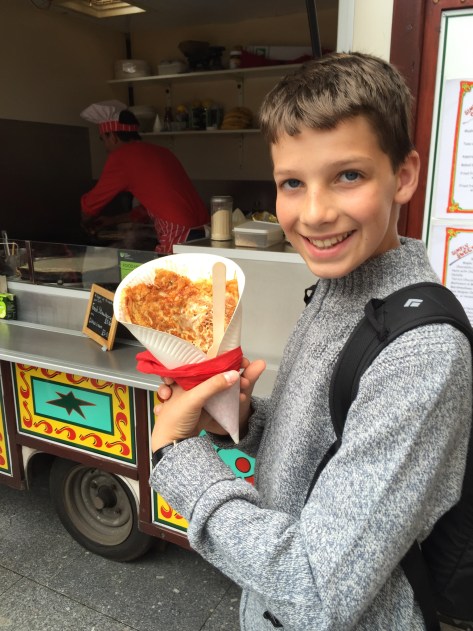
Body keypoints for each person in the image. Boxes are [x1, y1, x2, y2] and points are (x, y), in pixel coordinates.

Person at [148, 53, 472, 630]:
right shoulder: (337, 287)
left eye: (348, 175)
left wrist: (175, 457)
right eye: (292, 183)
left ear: (403, 176)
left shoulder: (421, 353)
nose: (316, 213)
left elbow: (319, 590)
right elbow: (328, 437)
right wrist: (244, 420)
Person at [80, 101, 209, 253]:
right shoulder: (162, 152)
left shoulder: (121, 157)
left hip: (179, 232)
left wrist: (85, 225)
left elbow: (90, 206)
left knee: (169, 269)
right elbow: (151, 207)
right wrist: (113, 220)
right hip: (204, 229)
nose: (106, 147)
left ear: (113, 136)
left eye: (103, 139)